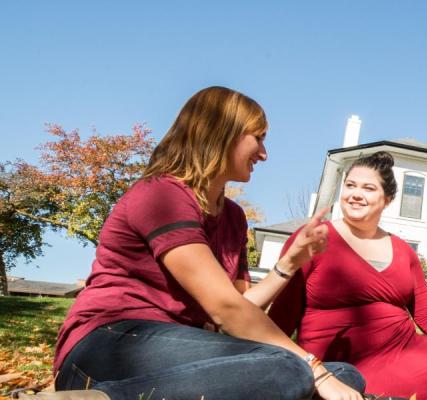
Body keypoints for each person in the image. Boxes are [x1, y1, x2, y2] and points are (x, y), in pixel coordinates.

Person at [47, 86, 365, 400]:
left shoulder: (234, 218)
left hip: (184, 350)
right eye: (259, 137)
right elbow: (226, 309)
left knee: (345, 376)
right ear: (223, 132)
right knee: (292, 370)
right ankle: (98, 397)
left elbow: (242, 306)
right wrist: (313, 368)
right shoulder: (162, 194)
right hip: (109, 343)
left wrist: (290, 262)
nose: (264, 154)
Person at [269, 151, 427, 399]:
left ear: (388, 199)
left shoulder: (404, 251)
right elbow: (280, 318)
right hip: (340, 363)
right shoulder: (312, 239)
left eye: (368, 188)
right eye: (350, 185)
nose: (356, 194)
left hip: (404, 349)